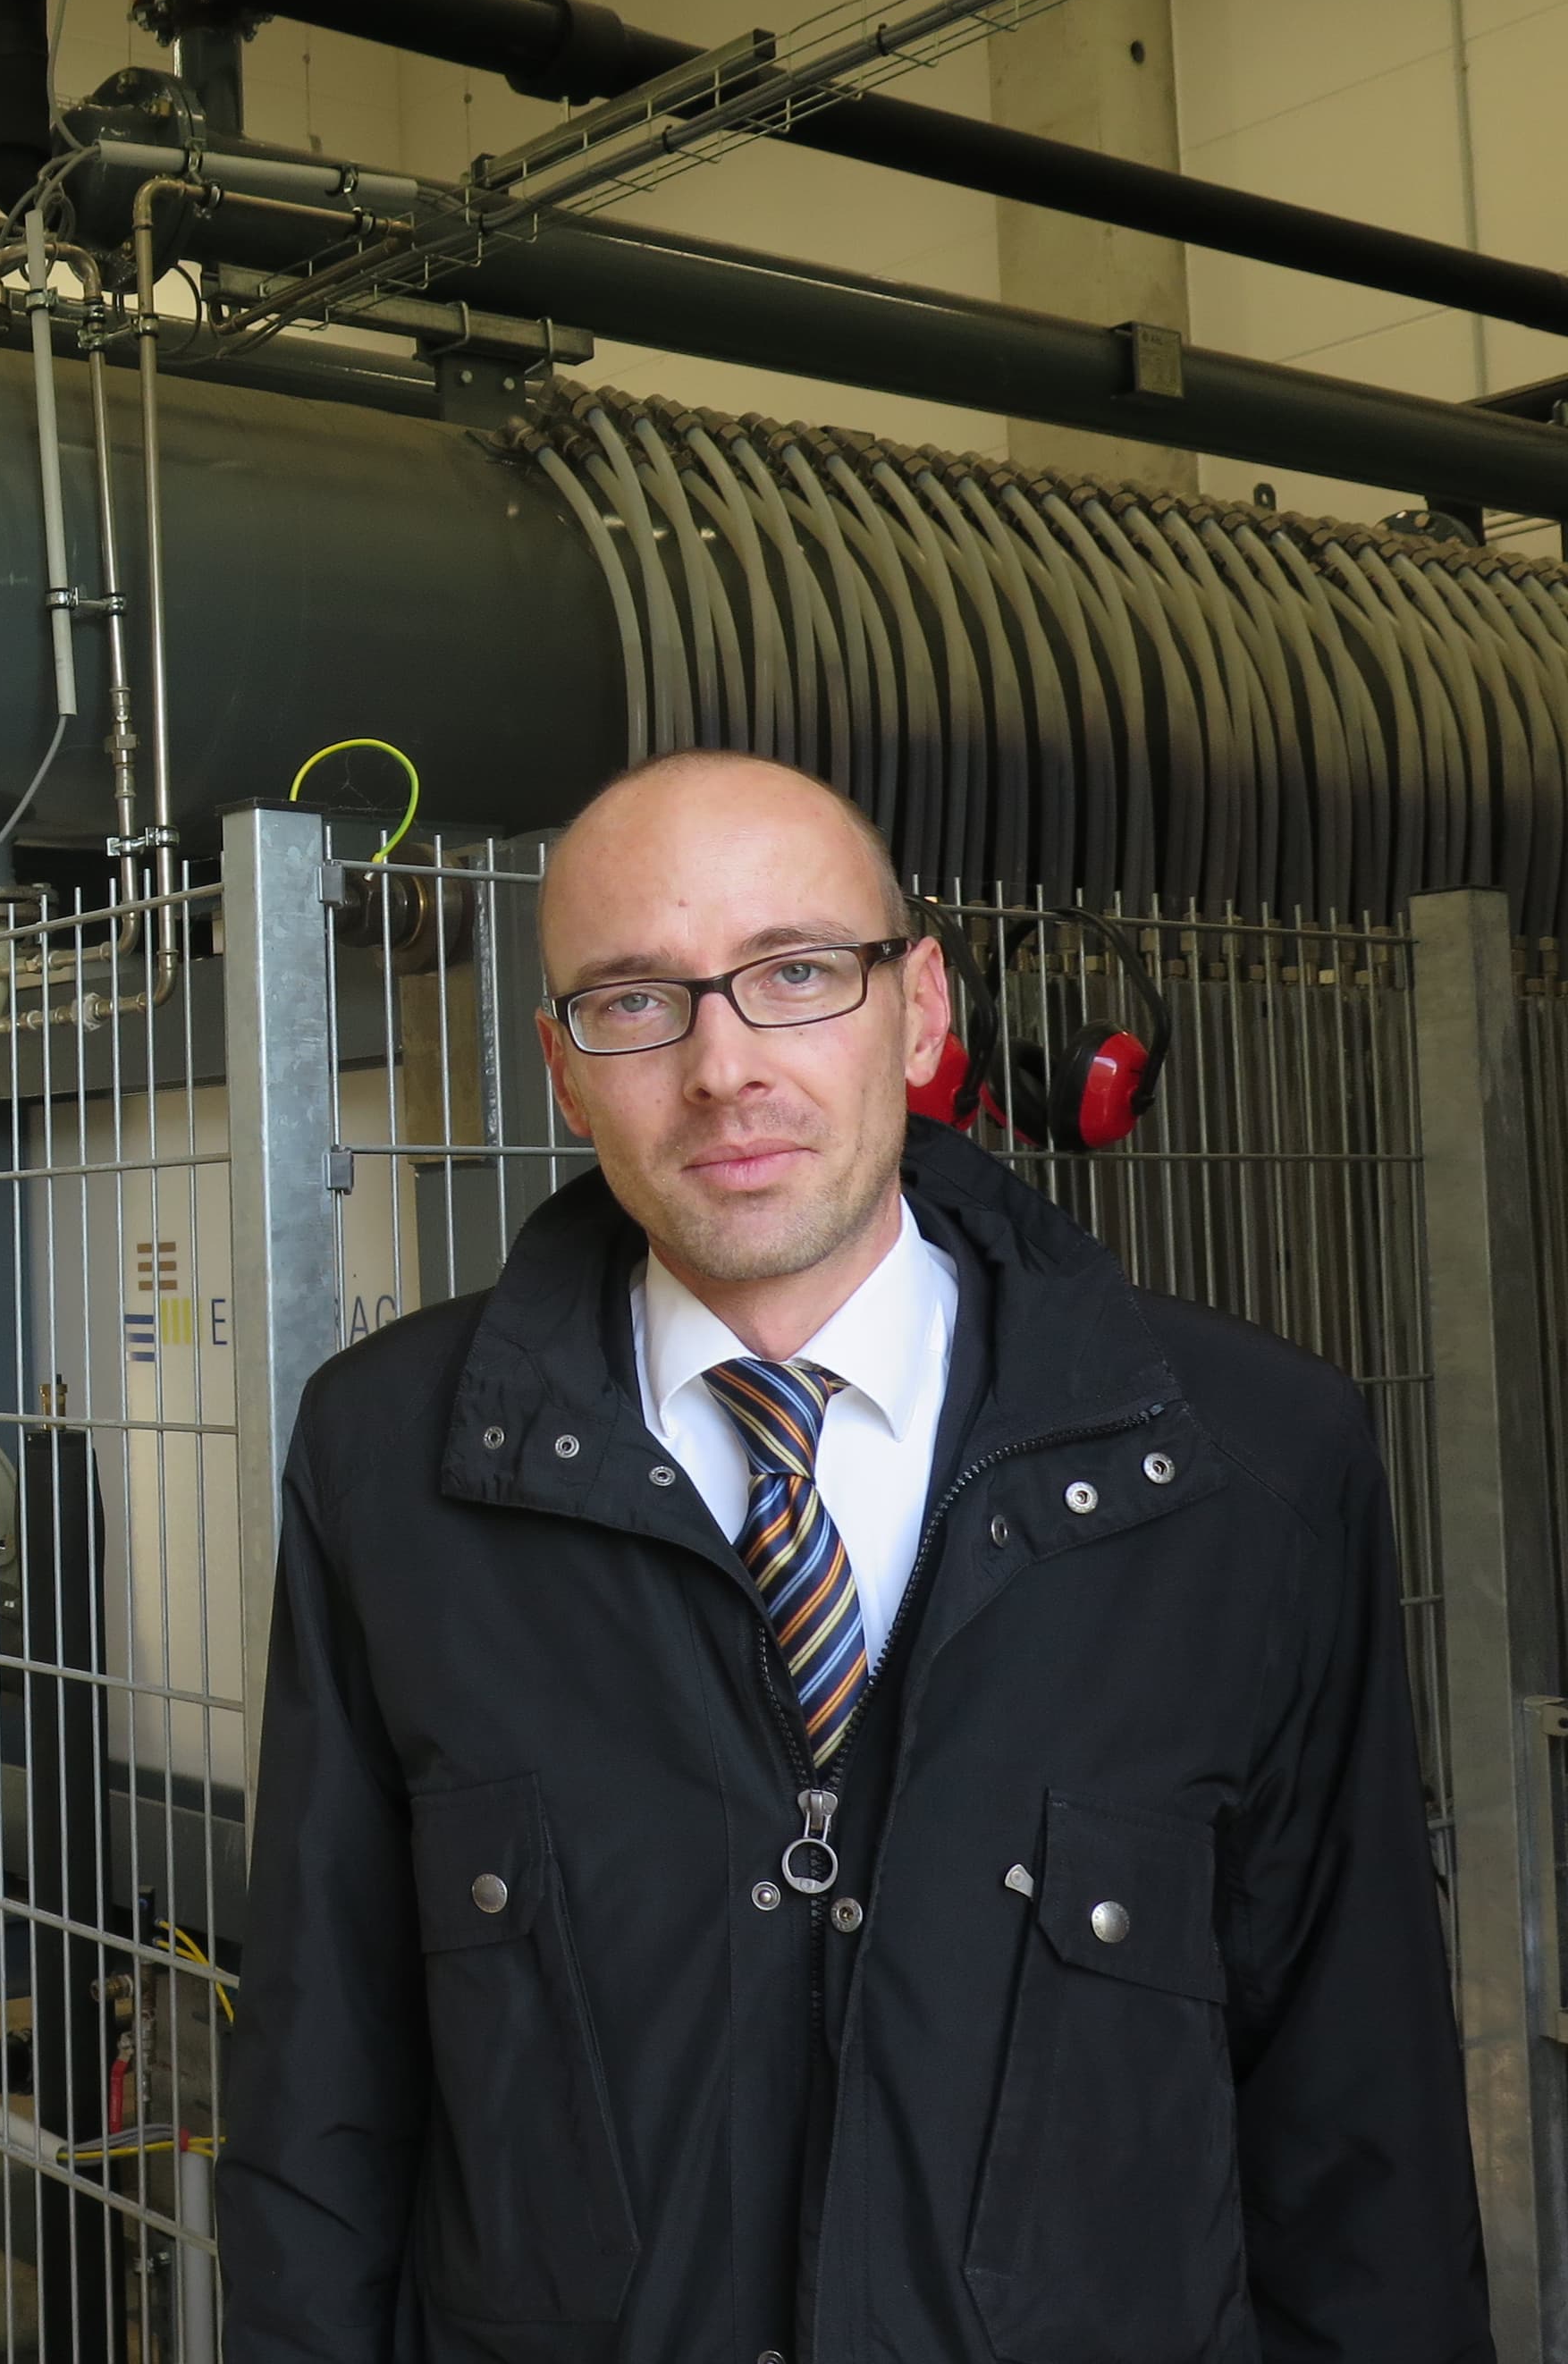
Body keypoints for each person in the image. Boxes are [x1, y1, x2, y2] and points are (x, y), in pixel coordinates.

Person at [219, 749, 1487, 2363]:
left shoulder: (1250, 1468)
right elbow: (321, 2089)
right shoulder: (391, 1462)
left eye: (798, 974)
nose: (723, 1069)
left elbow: (1358, 2113)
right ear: (562, 1070)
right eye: (635, 1001)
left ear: (922, 1010)